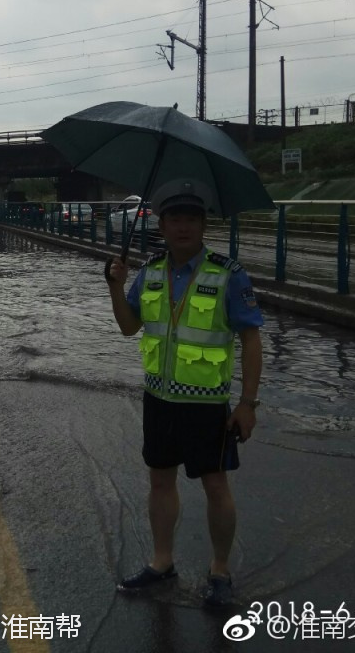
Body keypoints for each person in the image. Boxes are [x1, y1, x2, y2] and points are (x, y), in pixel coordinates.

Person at [106, 178, 264, 607]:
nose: (182, 226)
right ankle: (161, 563)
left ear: (203, 224)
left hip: (207, 404)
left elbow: (251, 339)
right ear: (161, 223)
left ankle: (220, 571)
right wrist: (115, 287)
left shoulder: (228, 275)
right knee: (160, 481)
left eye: (191, 218)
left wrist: (247, 404)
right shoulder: (150, 272)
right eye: (174, 218)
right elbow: (127, 326)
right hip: (159, 400)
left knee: (215, 485)